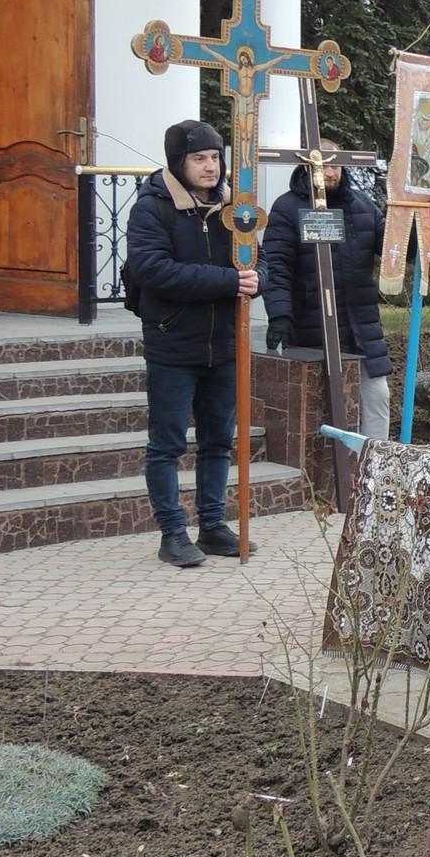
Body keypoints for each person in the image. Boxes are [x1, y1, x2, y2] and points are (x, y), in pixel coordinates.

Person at [125, 120, 257, 569]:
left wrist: (255, 280)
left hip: (225, 344)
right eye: (199, 158)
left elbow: (254, 260)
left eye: (215, 157)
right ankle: (173, 532)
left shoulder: (234, 209)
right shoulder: (152, 208)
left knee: (218, 441)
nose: (210, 167)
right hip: (173, 342)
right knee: (167, 444)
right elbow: (152, 270)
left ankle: (213, 525)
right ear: (178, 162)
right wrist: (229, 281)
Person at [261, 148, 396, 443]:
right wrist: (280, 314)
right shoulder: (287, 208)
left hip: (361, 328)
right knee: (321, 405)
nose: (329, 173)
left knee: (377, 398)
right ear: (306, 167)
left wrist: (410, 227)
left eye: (335, 166)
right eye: (321, 166)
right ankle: (327, 468)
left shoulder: (362, 205)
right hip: (314, 325)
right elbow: (277, 267)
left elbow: (392, 251)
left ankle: (374, 465)